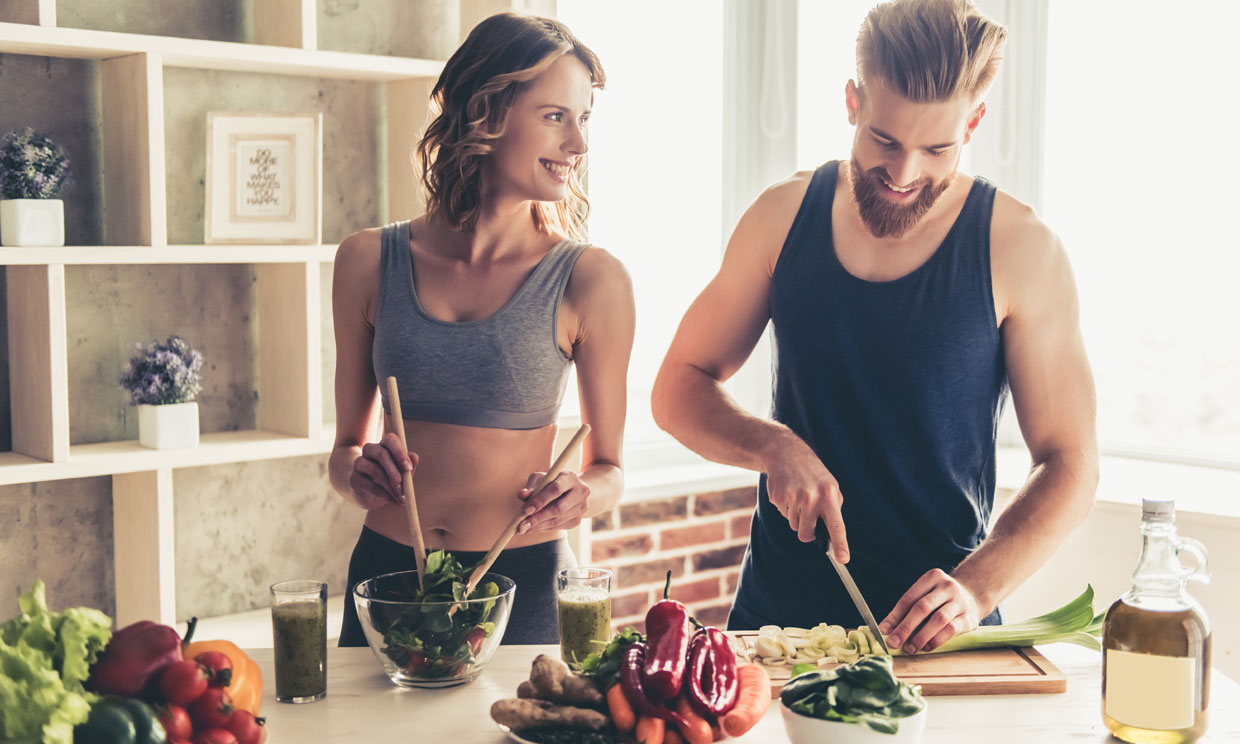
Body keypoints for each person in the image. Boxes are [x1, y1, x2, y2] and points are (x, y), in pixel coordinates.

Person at [651, 0, 1098, 655]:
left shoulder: (1021, 249)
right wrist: (771, 446)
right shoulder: (781, 217)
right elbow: (677, 387)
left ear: (972, 123)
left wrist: (976, 589)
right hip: (775, 630)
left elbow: (1071, 464)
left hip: (935, 640)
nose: (904, 173)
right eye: (884, 140)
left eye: (936, 148)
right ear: (853, 102)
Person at [329, 11, 635, 646]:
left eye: (584, 120)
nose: (578, 145)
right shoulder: (366, 261)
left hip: (520, 583)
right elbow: (343, 454)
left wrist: (582, 495)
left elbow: (609, 468)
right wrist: (357, 471)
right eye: (556, 117)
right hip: (387, 577)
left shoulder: (591, 280)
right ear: (485, 113)